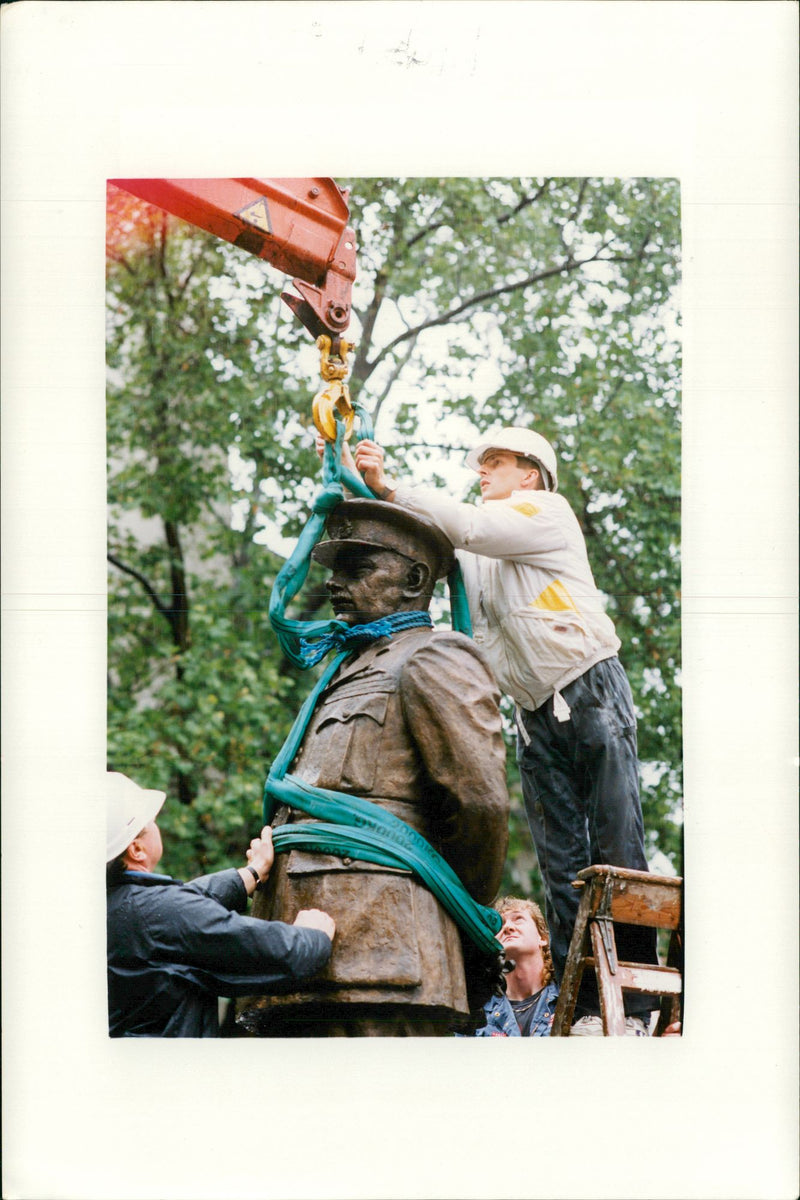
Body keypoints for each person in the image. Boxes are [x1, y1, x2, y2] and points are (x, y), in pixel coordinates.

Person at [348, 428, 659, 1035]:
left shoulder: (545, 514)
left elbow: (467, 526)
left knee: (616, 848)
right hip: (534, 711)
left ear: (532, 474)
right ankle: (589, 1004)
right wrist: (360, 479)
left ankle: (640, 1008)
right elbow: (437, 536)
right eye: (482, 463)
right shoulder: (476, 551)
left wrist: (393, 484)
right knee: (562, 864)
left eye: (496, 462)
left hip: (588, 685)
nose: (483, 471)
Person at [237, 499, 510, 1037]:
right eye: (335, 569)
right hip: (296, 944)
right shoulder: (344, 671)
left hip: (384, 951)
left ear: (413, 580)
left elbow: (480, 806)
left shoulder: (434, 658)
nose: (337, 583)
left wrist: (446, 907)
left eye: (358, 569)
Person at [106, 771, 335, 1037]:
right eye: (152, 822)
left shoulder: (110, 905)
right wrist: (311, 938)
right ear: (137, 850)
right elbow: (275, 953)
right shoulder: (160, 914)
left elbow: (174, 906)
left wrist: (251, 873)